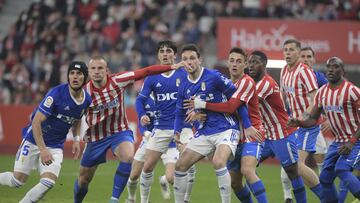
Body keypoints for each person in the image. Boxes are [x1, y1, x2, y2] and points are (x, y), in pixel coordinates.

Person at [73, 55, 186, 203]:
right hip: (96, 137)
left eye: (100, 68)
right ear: (88, 72)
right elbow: (75, 117)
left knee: (127, 157)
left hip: (119, 132)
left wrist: (171, 67)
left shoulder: (118, 80)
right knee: (84, 179)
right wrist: (75, 139)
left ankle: (114, 199)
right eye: (93, 68)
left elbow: (146, 71)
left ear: (107, 70)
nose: (96, 71)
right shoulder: (83, 92)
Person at [0, 61, 91, 203]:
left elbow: (77, 118)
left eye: (79, 74)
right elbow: (36, 122)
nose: (74, 76)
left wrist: (76, 139)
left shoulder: (87, 100)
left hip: (55, 146)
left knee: (48, 182)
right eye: (72, 73)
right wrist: (42, 150)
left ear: (85, 78)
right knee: (17, 181)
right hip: (34, 140)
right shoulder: (56, 93)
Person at [188, 47, 269, 203]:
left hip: (252, 133)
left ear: (245, 64)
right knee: (235, 183)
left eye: (239, 61)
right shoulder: (224, 82)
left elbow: (232, 107)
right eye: (232, 60)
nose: (234, 64)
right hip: (233, 136)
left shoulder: (247, 81)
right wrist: (198, 113)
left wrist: (204, 104)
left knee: (247, 170)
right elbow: (216, 107)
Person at [173, 44, 246, 203]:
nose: (189, 62)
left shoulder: (214, 76)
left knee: (219, 161)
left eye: (192, 58)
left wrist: (247, 125)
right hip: (205, 132)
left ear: (200, 60)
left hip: (226, 128)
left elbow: (237, 100)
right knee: (180, 166)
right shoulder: (183, 86)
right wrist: (177, 131)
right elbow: (180, 112)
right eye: (185, 59)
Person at [287, 56, 360, 202]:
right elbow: (313, 119)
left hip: (356, 141)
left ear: (343, 71)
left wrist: (351, 142)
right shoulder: (322, 93)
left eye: (336, 66)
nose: (331, 70)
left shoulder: (352, 91)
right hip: (338, 142)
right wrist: (300, 123)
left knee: (341, 169)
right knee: (325, 178)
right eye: (329, 67)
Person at [136, 40, 195, 203]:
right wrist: (142, 115)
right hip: (161, 128)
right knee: (147, 167)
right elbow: (140, 100)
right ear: (158, 55)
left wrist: (195, 111)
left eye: (168, 51)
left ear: (175, 55)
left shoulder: (184, 73)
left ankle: (185, 200)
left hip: (183, 128)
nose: (165, 54)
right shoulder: (152, 77)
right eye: (161, 51)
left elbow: (197, 93)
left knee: (187, 164)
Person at [247, 50, 307, 203]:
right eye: (249, 62)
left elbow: (248, 104)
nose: (251, 65)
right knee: (246, 168)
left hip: (282, 134)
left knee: (293, 172)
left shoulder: (266, 83)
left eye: (255, 62)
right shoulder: (251, 82)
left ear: (264, 64)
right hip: (266, 135)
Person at [280, 46, 329, 202]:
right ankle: (288, 196)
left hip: (310, 124)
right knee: (292, 164)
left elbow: (329, 97)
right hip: (295, 124)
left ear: (314, 60)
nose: (306, 59)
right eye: (304, 56)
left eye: (309, 56)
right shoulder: (287, 72)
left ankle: (327, 195)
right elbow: (283, 96)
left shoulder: (318, 78)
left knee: (305, 163)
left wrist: (330, 118)